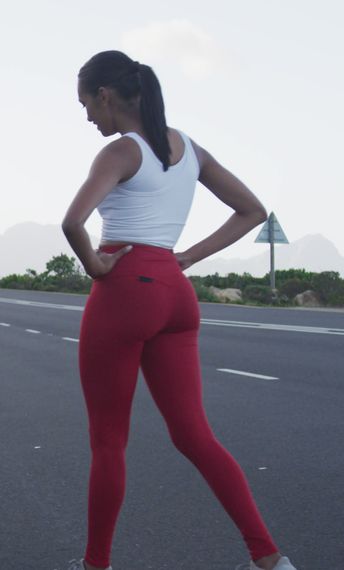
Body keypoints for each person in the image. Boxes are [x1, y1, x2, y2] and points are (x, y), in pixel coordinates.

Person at [61, 51, 297, 570]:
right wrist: (187, 256)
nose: (87, 118)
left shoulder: (123, 151)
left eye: (86, 104)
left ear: (106, 95)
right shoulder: (186, 147)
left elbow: (73, 222)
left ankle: (95, 565)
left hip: (126, 290)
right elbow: (252, 210)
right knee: (195, 435)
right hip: (174, 291)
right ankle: (270, 558)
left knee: (108, 442)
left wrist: (98, 269)